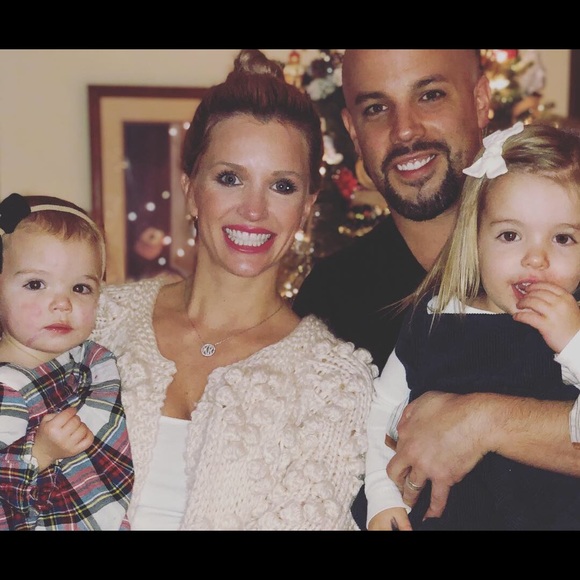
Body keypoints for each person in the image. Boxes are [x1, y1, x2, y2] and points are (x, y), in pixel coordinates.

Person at [90, 49, 377, 531]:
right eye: (230, 178)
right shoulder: (98, 319)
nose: (254, 210)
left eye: (282, 186)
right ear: (190, 189)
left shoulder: (334, 384)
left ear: (307, 206)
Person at [292, 49, 580, 528]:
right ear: (352, 130)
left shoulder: (565, 261)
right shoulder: (333, 297)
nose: (405, 130)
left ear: (481, 99)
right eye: (376, 108)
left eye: (429, 95)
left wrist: (483, 421)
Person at [367, 121, 580, 530]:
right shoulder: (434, 319)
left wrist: (573, 343)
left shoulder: (576, 330)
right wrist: (381, 498)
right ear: (476, 237)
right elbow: (382, 413)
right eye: (510, 235)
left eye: (563, 239)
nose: (536, 259)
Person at [0, 193, 133, 530]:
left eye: (80, 288)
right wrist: (39, 454)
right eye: (35, 284)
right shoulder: (6, 389)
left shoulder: (92, 359)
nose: (62, 303)